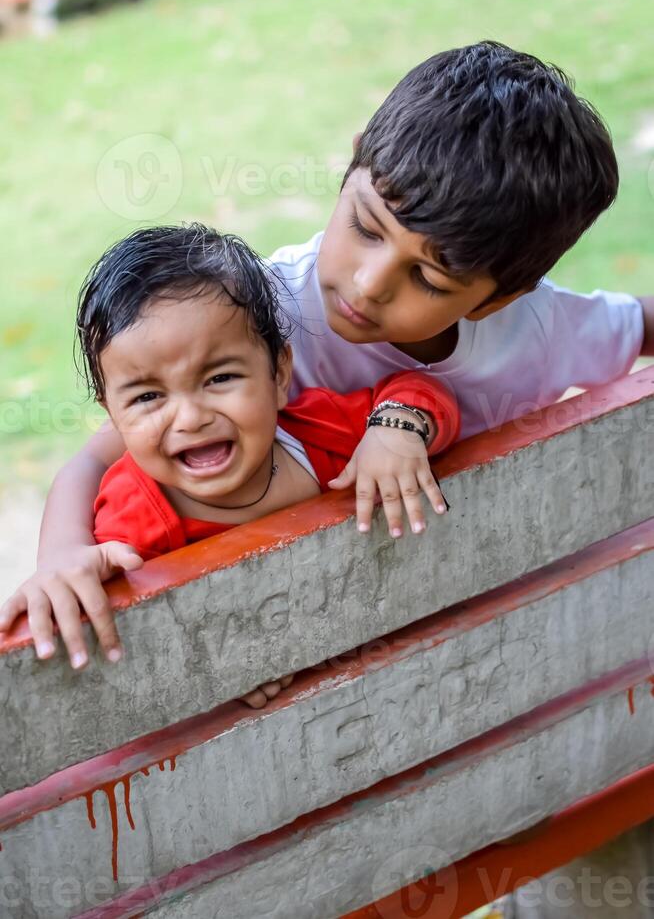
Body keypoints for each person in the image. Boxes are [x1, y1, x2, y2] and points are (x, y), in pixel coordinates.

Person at [3, 41, 652, 669]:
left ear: (497, 298)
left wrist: (399, 426)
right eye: (366, 227)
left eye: (429, 279)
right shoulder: (252, 312)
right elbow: (98, 452)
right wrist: (61, 550)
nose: (369, 284)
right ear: (351, 167)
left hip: (461, 637)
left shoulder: (541, 330)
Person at [0, 225, 458, 703]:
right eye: (149, 396)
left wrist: (397, 427)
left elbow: (423, 390)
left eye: (219, 377)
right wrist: (214, 678)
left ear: (279, 374)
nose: (192, 417)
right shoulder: (132, 526)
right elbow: (129, 662)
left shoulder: (318, 433)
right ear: (111, 414)